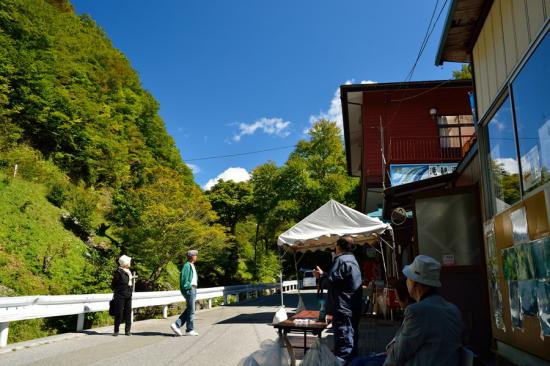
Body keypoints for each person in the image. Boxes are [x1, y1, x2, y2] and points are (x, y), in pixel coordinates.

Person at [384, 255, 464, 366]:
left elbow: (397, 356)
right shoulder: (453, 309)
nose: (406, 281)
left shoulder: (417, 311)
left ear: (415, 283)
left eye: (408, 278)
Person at [314, 236, 362, 365]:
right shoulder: (352, 259)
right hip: (352, 307)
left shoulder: (341, 260)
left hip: (343, 308)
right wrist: (324, 274)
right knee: (351, 343)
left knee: (343, 346)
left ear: (339, 246)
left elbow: (329, 283)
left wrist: (320, 278)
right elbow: (338, 280)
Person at [170, 250, 199, 336]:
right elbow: (184, 279)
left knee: (190, 309)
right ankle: (189, 329)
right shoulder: (187, 266)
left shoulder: (191, 265)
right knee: (191, 310)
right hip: (190, 289)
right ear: (192, 256)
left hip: (193, 288)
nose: (196, 256)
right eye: (195, 255)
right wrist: (188, 287)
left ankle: (177, 325)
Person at [111, 255, 134, 336]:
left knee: (128, 312)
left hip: (128, 295)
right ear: (125, 263)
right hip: (120, 295)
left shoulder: (129, 271)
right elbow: (113, 285)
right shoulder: (118, 272)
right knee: (119, 313)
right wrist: (119, 291)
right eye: (129, 261)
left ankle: (127, 331)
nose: (130, 263)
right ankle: (116, 330)